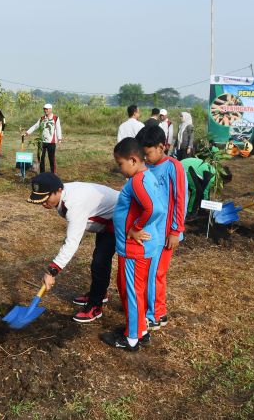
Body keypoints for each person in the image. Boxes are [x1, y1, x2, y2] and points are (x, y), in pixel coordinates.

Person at [101, 137, 165, 351]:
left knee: (132, 292)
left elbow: (154, 208)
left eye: (120, 164)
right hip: (138, 249)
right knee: (134, 290)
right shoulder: (146, 176)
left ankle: (131, 339)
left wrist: (136, 227)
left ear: (133, 160)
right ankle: (141, 331)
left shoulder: (138, 181)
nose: (119, 169)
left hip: (134, 249)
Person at [32, 173, 119, 323]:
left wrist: (52, 271)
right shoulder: (63, 197)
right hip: (105, 221)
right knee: (100, 261)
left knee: (99, 262)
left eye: (46, 198)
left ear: (58, 190)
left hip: (118, 219)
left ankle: (95, 305)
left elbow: (72, 242)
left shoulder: (74, 204)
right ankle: (99, 292)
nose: (43, 203)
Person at [138, 125, 187, 330]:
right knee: (149, 271)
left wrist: (175, 231)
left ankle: (157, 313)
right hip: (151, 232)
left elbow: (179, 199)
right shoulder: (146, 167)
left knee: (157, 272)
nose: (146, 158)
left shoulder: (173, 166)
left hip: (167, 233)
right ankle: (153, 309)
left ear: (161, 147)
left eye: (148, 153)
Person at [24, 103, 62, 173]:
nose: (45, 110)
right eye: (44, 109)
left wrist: (59, 138)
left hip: (51, 142)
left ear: (50, 109)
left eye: (46, 109)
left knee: (51, 159)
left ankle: (53, 174)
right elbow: (35, 126)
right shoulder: (42, 118)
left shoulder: (55, 118)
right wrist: (27, 132)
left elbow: (58, 128)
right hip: (41, 141)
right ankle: (42, 174)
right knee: (41, 159)